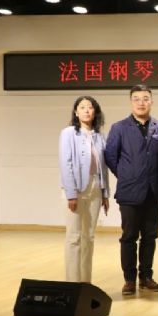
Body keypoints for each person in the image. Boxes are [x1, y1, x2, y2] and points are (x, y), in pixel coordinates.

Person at [105, 85, 158, 295]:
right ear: (131, 102)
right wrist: (126, 174)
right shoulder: (119, 127)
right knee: (129, 237)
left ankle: (146, 277)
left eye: (145, 98)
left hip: (154, 192)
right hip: (129, 192)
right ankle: (129, 279)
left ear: (152, 102)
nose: (141, 102)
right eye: (137, 99)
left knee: (150, 236)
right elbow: (111, 157)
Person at [59, 96, 110, 283]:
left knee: (89, 236)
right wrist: (71, 194)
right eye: (82, 107)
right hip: (76, 188)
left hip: (95, 187)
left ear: (95, 112)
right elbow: (66, 164)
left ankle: (85, 283)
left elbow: (103, 167)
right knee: (74, 237)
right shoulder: (69, 133)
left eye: (90, 107)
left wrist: (105, 193)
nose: (87, 110)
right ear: (76, 112)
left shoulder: (99, 136)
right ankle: (72, 283)